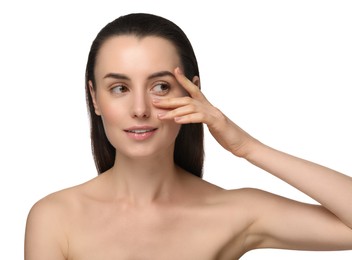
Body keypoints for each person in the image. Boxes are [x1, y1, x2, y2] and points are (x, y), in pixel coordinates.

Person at [24, 13, 352, 259]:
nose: (140, 109)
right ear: (95, 98)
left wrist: (247, 147)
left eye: (161, 86)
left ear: (192, 93)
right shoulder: (55, 217)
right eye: (120, 88)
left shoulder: (234, 211)